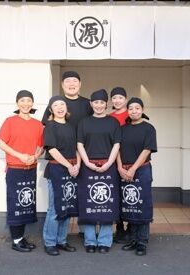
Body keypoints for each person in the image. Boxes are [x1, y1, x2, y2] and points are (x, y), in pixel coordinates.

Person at [42, 70, 92, 237]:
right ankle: (51, 240)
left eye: (75, 81)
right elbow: (47, 134)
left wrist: (78, 162)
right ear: (62, 85)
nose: (71, 84)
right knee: (58, 204)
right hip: (61, 162)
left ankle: (83, 232)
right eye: (68, 81)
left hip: (82, 158)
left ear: (80, 84)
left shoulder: (87, 104)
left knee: (80, 198)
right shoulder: (57, 103)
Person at [0, 90, 44, 252]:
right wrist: (21, 156)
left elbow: (41, 146)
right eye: (22, 100)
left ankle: (20, 238)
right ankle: (16, 240)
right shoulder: (10, 121)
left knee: (26, 203)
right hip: (15, 169)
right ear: (17, 103)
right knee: (15, 203)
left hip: (30, 168)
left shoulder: (37, 124)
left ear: (32, 103)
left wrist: (34, 156)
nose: (25, 104)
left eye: (29, 100)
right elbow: (2, 144)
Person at [77, 89, 121, 254]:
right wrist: (87, 162)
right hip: (88, 167)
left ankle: (104, 240)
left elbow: (117, 144)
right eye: (96, 102)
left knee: (106, 204)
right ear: (91, 104)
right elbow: (79, 144)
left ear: (106, 104)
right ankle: (90, 240)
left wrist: (109, 163)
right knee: (89, 203)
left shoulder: (113, 122)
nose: (99, 105)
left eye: (102, 102)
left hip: (108, 167)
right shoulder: (84, 122)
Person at [117, 97, 157, 256]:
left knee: (142, 204)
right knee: (129, 204)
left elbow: (147, 150)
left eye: (137, 108)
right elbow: (117, 149)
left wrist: (133, 169)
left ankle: (142, 242)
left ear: (142, 109)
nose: (134, 111)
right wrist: (120, 167)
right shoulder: (122, 129)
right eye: (131, 108)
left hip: (141, 170)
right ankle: (132, 239)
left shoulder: (149, 128)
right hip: (124, 171)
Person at [42, 96, 81, 256]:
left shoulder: (72, 127)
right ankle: (50, 242)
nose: (60, 107)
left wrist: (78, 164)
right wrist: (69, 165)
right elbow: (52, 150)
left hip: (72, 169)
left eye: (62, 104)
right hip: (58, 169)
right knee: (55, 208)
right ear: (51, 110)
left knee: (68, 206)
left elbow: (77, 148)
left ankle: (61, 240)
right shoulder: (50, 126)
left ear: (66, 108)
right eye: (56, 105)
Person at [109, 87, 130, 244]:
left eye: (120, 98)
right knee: (116, 195)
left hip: (131, 159)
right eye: (114, 98)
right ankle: (120, 228)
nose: (117, 100)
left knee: (130, 195)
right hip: (114, 160)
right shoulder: (109, 117)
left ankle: (132, 227)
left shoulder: (132, 114)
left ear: (126, 99)